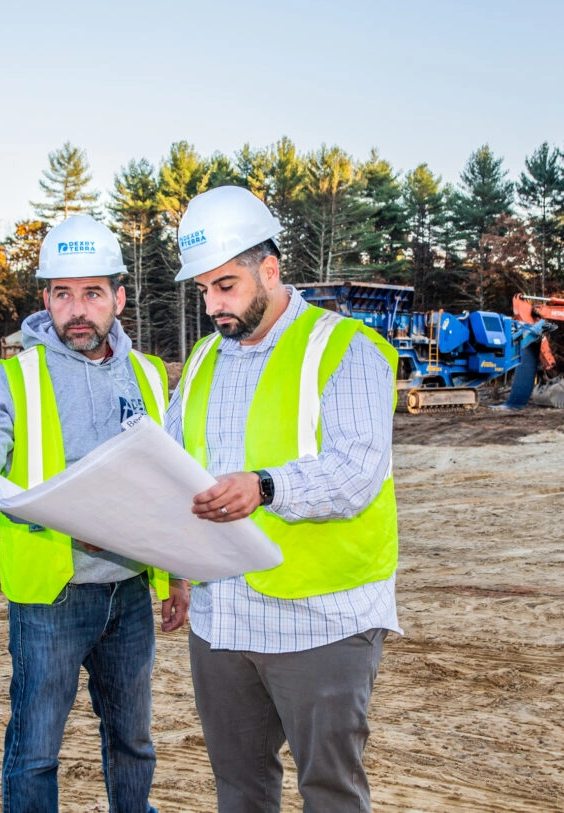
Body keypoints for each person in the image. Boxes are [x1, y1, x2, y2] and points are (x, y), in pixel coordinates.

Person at [0, 214, 190, 813]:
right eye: (63, 294)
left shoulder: (148, 374)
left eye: (93, 293)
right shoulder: (14, 377)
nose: (78, 309)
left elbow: (172, 478)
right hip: (53, 596)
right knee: (35, 747)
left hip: (128, 593)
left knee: (133, 740)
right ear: (44, 299)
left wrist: (178, 572)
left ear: (118, 298)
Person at [166, 185, 401, 813]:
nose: (214, 305)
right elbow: (172, 468)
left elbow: (355, 473)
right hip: (222, 619)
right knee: (239, 791)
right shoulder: (202, 361)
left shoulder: (346, 349)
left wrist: (264, 487)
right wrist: (173, 564)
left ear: (269, 269)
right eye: (204, 290)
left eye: (227, 285)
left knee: (329, 793)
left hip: (321, 620)